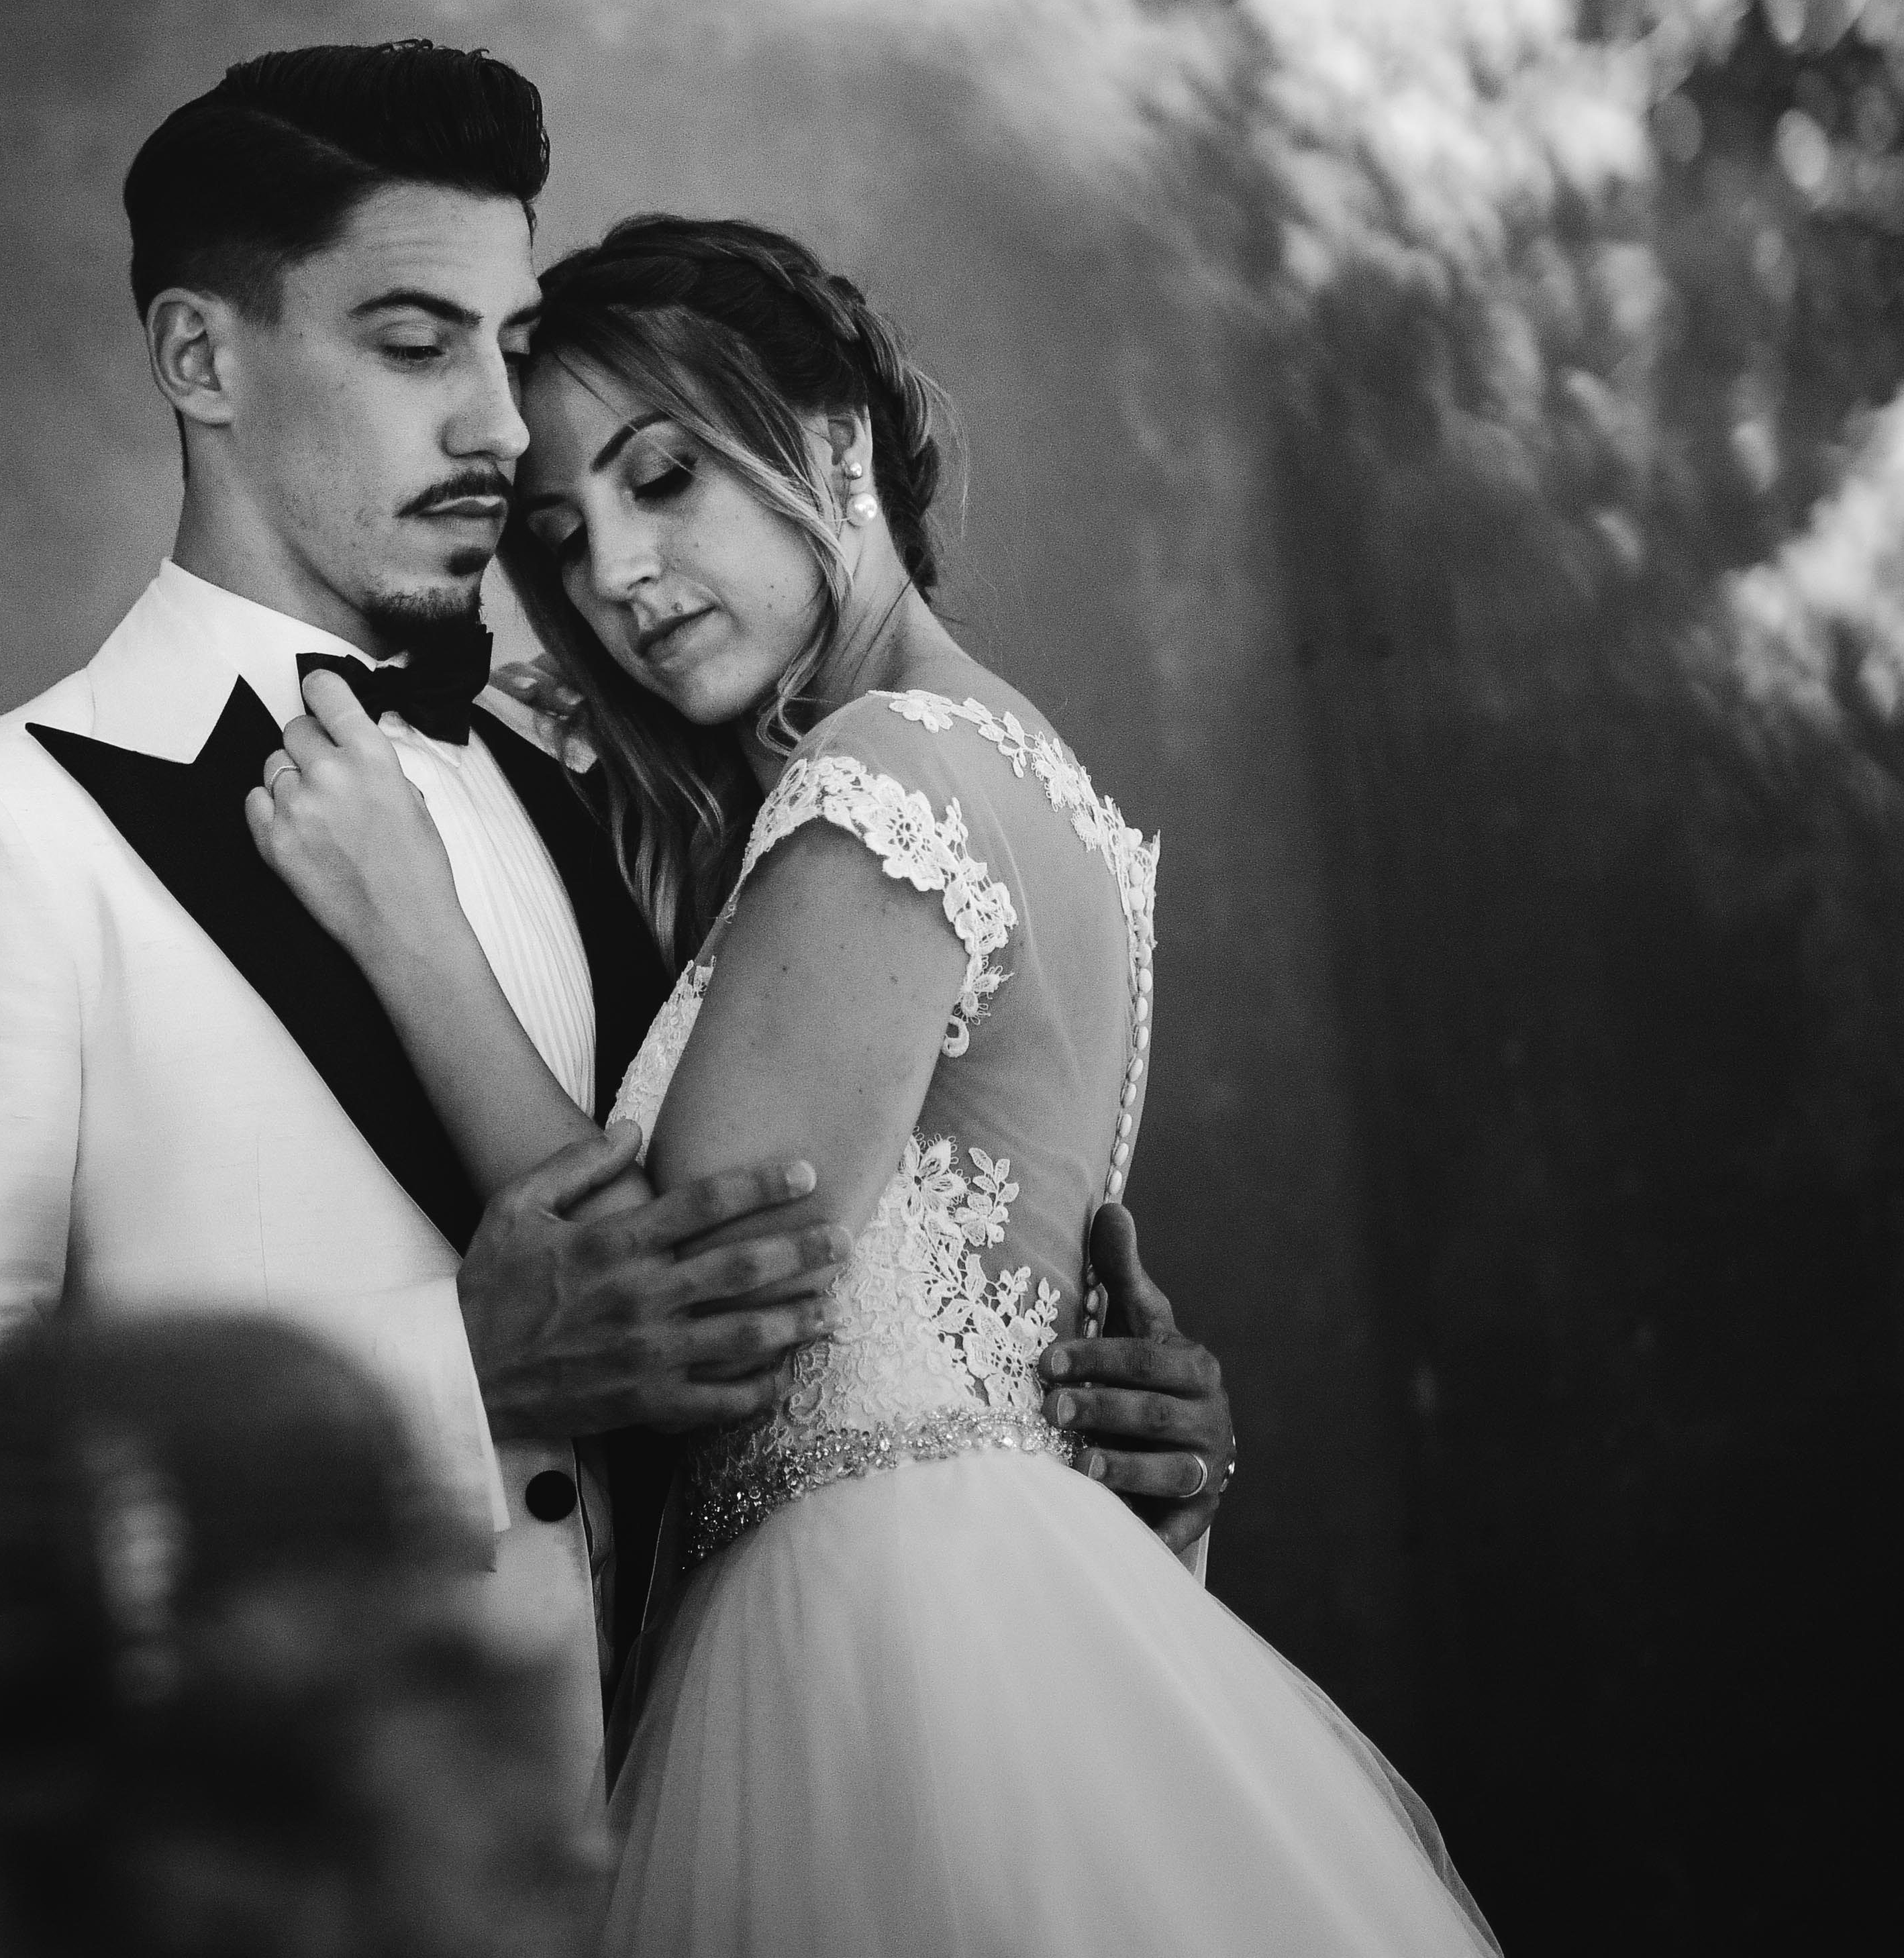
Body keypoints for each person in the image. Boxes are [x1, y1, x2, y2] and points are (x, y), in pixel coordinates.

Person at [0, 42, 1239, 1857]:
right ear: (200, 359)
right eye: (418, 347)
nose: (498, 427)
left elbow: (833, 1291)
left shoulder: (628, 800)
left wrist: (1090, 1443)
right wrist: (456, 1382)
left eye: (507, 350)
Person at [247, 213, 1493, 1951]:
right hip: (980, 1607)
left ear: (834, 446)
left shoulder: (888, 772)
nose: (615, 575)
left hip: (879, 1631)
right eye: (563, 535)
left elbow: (699, 1306)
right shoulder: (1012, 775)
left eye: (663, 477)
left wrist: (413, 933)